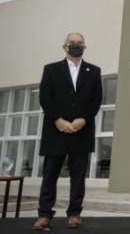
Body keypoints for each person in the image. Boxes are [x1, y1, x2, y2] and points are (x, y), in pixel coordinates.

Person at [34, 33, 103, 230]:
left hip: (81, 132)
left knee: (78, 177)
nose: (75, 46)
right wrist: (58, 120)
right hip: (55, 130)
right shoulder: (51, 69)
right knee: (50, 176)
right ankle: (44, 215)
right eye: (71, 43)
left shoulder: (94, 71)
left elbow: (96, 99)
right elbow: (45, 98)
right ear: (64, 47)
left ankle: (74, 214)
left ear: (85, 48)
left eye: (79, 43)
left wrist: (83, 119)